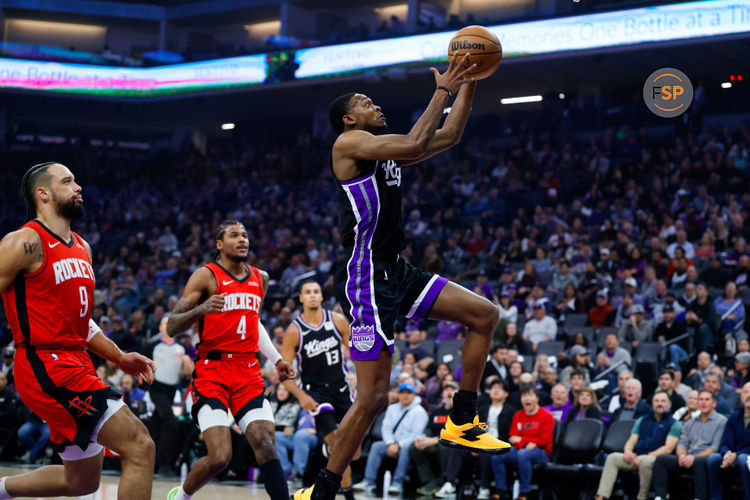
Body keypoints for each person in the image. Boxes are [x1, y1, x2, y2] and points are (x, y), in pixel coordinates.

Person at [297, 52, 510, 500]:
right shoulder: (347, 145)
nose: (375, 106)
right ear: (349, 119)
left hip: (397, 270)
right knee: (372, 399)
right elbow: (416, 143)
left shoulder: (385, 146)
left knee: (485, 315)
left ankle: (463, 420)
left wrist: (470, 80)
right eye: (366, 102)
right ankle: (322, 491)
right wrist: (444, 88)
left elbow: (448, 135)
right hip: (364, 278)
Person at [0, 162, 156, 500]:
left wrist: (118, 356)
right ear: (43, 193)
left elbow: (82, 321)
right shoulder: (24, 241)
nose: (78, 187)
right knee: (140, 446)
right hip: (46, 364)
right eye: (68, 181)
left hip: (75, 361)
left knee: (81, 482)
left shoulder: (81, 247)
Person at [166, 220, 295, 500]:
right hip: (212, 372)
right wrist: (201, 309)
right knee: (221, 456)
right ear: (219, 244)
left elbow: (253, 323)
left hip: (247, 372)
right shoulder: (206, 276)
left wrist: (275, 359)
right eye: (234, 235)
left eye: (245, 235)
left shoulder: (260, 278)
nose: (242, 240)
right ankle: (181, 497)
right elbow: (172, 326)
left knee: (266, 444)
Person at [279, 280, 355, 498]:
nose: (312, 295)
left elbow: (356, 353)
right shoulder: (294, 331)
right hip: (316, 394)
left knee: (353, 450)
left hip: (341, 389)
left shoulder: (338, 321)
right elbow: (284, 375)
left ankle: (329, 449)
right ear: (301, 298)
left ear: (322, 297)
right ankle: (348, 494)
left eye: (316, 292)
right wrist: (302, 396)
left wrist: (358, 375)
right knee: (338, 443)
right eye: (307, 292)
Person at [595, 389, 681, 500]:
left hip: (656, 459)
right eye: (657, 401)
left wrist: (647, 455)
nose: (659, 404)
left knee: (645, 461)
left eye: (663, 401)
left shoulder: (675, 424)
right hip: (636, 457)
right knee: (612, 458)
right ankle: (601, 496)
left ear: (669, 404)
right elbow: (631, 441)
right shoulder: (642, 420)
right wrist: (628, 452)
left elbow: (668, 448)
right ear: (652, 403)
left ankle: (642, 497)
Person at [352, 382, 428, 496]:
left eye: (409, 393)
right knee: (376, 446)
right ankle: (368, 481)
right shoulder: (392, 408)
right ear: (398, 394)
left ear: (414, 395)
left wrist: (398, 445)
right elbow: (386, 428)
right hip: (391, 443)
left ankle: (398, 482)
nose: (405, 395)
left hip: (408, 446)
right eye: (402, 393)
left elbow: (416, 435)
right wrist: (391, 443)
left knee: (406, 448)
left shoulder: (420, 412)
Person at [652, 390, 727, 500]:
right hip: (687, 458)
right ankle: (659, 496)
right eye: (700, 399)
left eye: (707, 399)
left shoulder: (721, 421)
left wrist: (694, 457)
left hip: (705, 459)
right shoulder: (690, 422)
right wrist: (682, 456)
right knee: (661, 459)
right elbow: (682, 444)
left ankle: (699, 497)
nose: (703, 402)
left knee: (698, 461)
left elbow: (714, 448)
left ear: (714, 403)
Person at [142, 314, 194, 474]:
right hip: (157, 388)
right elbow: (143, 366)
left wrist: (187, 363)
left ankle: (142, 455)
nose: (169, 325)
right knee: (170, 422)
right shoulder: (153, 346)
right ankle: (163, 465)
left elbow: (188, 373)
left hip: (172, 389)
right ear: (160, 328)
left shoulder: (182, 348)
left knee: (154, 425)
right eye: (165, 323)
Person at [491, 387, 554, 500]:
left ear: (537, 399)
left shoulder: (547, 415)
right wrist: (525, 444)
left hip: (542, 451)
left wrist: (521, 440)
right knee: (498, 455)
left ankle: (525, 492)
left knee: (523, 455)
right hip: (522, 449)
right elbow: (512, 438)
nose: (526, 399)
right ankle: (501, 490)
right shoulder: (518, 415)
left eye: (530, 395)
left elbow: (544, 439)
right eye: (524, 396)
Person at [706, 382, 750, 500]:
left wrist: (736, 455)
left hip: (744, 457)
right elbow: (725, 441)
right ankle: (715, 498)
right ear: (741, 396)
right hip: (732, 456)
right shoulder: (734, 417)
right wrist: (726, 454)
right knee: (713, 459)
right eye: (745, 392)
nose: (748, 395)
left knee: (743, 459)